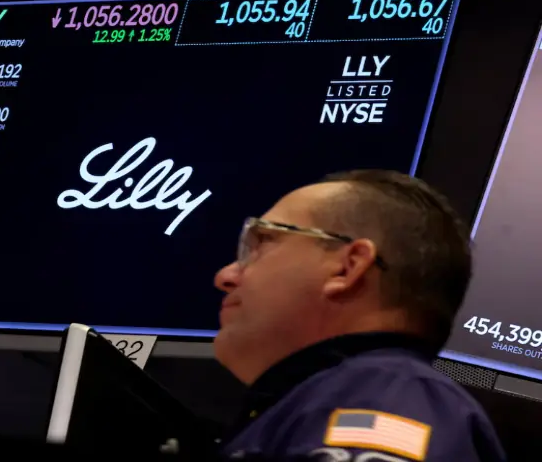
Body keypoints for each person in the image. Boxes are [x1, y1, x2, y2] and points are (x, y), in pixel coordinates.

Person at [213, 170, 505, 461]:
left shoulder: (383, 397)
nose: (224, 276)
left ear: (347, 267)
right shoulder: (338, 396)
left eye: (262, 242)